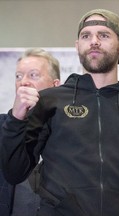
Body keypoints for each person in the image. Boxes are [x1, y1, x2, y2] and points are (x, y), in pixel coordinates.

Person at [0, 9, 119, 216]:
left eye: (103, 35)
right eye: (86, 36)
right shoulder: (50, 100)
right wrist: (16, 119)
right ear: (77, 46)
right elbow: (14, 171)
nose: (94, 41)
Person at [0, 48, 61, 216]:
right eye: (18, 76)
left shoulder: (67, 129)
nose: (23, 82)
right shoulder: (2, 127)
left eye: (33, 75)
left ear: (55, 86)